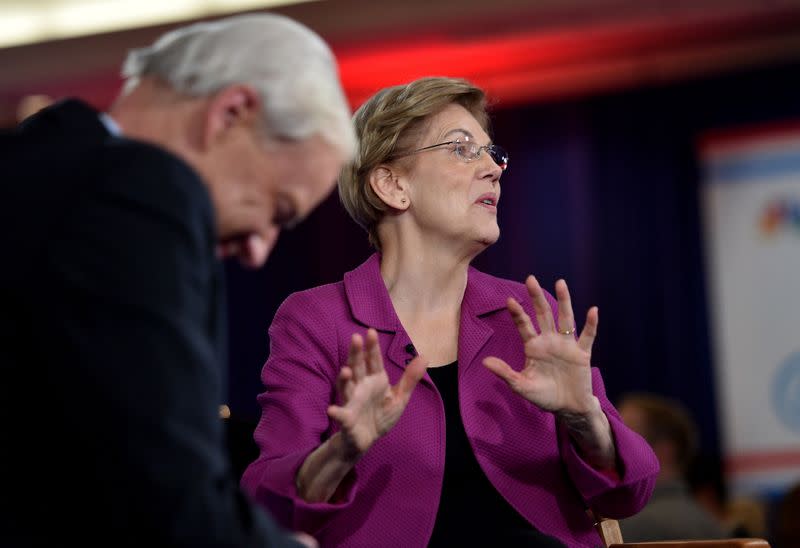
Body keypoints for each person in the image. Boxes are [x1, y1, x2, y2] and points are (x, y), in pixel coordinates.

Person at [240, 76, 659, 547]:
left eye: (493, 153)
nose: (494, 170)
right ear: (392, 184)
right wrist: (343, 450)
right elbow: (265, 502)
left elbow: (630, 493)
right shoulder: (317, 319)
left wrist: (586, 418)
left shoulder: (523, 312)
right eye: (462, 150)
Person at [0, 13, 355, 546]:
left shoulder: (30, 166)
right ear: (230, 114)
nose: (259, 250)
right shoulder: (141, 189)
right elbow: (166, 495)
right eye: (277, 210)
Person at [616, 393, 729, 541]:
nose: (611, 447)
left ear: (664, 451)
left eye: (622, 438)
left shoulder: (638, 526)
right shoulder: (707, 521)